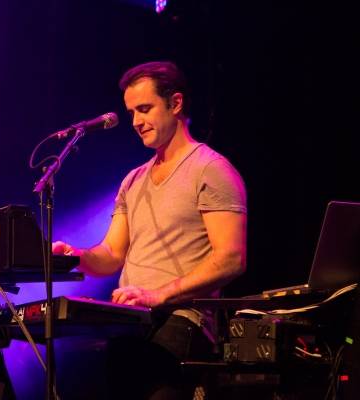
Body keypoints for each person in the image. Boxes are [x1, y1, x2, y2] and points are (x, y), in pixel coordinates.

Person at [52, 61, 247, 399]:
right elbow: (112, 254)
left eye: (144, 109)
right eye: (131, 113)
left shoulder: (211, 169)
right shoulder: (133, 180)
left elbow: (231, 259)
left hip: (181, 321)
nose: (136, 122)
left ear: (176, 103)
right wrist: (76, 256)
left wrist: (159, 295)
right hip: (133, 323)